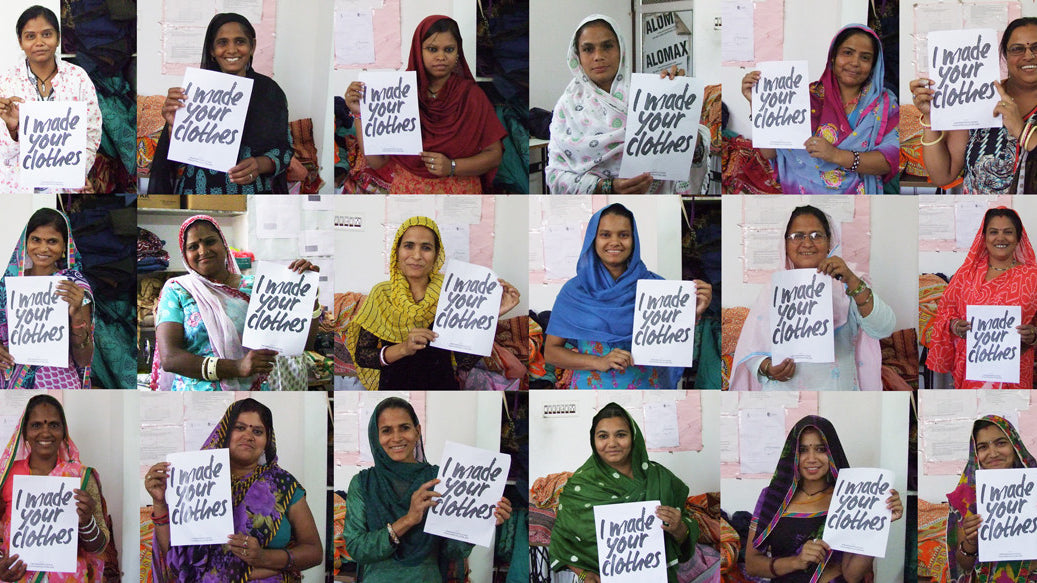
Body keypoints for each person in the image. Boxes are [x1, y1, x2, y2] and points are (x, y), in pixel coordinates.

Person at [145, 398, 322, 582]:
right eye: (239, 428)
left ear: (267, 440)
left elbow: (314, 552)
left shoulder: (283, 485)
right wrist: (160, 503)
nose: (249, 436)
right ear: (225, 433)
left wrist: (263, 557)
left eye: (258, 431)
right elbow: (176, 556)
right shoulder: (195, 479)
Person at [343, 397, 511, 582]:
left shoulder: (440, 478)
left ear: (417, 431)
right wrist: (408, 520)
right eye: (386, 431)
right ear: (376, 437)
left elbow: (452, 550)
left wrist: (481, 522)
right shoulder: (363, 483)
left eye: (404, 428)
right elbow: (356, 548)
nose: (397, 437)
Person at [544, 203, 711, 389]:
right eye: (605, 235)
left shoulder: (658, 289)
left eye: (623, 235)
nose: (615, 242)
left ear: (634, 239)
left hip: (647, 390)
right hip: (591, 391)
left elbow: (674, 346)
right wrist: (598, 362)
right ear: (593, 239)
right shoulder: (574, 291)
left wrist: (691, 314)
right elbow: (551, 352)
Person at [345, 216, 520, 390]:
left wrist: (488, 316)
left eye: (426, 248)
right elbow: (362, 356)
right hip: (394, 387)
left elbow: (465, 362)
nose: (417, 255)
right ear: (397, 251)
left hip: (442, 387)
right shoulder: (381, 294)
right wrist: (404, 348)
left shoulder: (453, 291)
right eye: (408, 246)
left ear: (437, 254)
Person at [730, 205, 895, 390]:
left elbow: (883, 327)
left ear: (830, 241)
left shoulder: (848, 282)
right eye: (797, 236)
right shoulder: (772, 290)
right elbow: (751, 352)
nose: (807, 243)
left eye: (817, 236)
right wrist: (768, 368)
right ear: (784, 244)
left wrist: (851, 280)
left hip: (837, 391)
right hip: (783, 393)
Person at [151, 214, 321, 391]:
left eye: (210, 242)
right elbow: (170, 358)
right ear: (185, 255)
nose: (203, 251)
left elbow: (302, 345)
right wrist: (237, 367)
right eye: (193, 247)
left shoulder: (261, 286)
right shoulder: (177, 290)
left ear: (225, 246)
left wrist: (310, 296)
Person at [343, 15, 507, 193]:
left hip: (460, 196)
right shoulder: (397, 94)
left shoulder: (471, 96)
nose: (441, 56)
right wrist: (360, 113)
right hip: (409, 194)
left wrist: (452, 166)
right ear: (418, 51)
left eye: (449, 49)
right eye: (432, 49)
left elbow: (494, 155)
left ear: (458, 53)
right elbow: (377, 161)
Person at [741, 24, 898, 194]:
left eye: (865, 58)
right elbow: (769, 153)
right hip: (802, 192)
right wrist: (758, 105)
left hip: (857, 199)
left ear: (874, 65)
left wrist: (836, 155)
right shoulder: (800, 96)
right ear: (833, 57)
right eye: (847, 53)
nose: (855, 63)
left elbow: (890, 159)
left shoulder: (884, 104)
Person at [549, 402, 696, 583]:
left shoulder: (660, 478)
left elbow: (686, 527)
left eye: (621, 435)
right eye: (603, 436)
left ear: (633, 437)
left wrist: (680, 529)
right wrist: (583, 574)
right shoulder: (580, 486)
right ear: (593, 441)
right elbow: (561, 540)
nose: (612, 443)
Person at [745, 416, 903, 582]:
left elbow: (852, 576)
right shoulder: (773, 497)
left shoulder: (850, 498)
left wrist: (878, 521)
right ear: (793, 454)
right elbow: (752, 564)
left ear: (832, 452)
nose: (811, 458)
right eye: (803, 450)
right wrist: (796, 562)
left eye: (821, 449)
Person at [546, 14, 690, 194]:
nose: (598, 56)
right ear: (577, 55)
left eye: (607, 46)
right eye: (588, 49)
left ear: (620, 48)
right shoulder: (567, 107)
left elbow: (685, 152)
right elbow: (555, 176)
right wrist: (607, 187)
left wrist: (678, 101)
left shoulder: (651, 95)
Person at [149, 13, 291, 194]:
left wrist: (259, 164)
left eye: (240, 41)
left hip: (250, 193)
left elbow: (285, 151)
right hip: (196, 192)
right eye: (222, 43)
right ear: (211, 50)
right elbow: (177, 160)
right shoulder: (194, 93)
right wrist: (174, 127)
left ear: (252, 46)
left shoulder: (270, 92)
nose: (231, 50)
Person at [912, 18, 1037, 193]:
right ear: (1005, 56)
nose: (1029, 55)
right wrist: (930, 117)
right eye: (1017, 49)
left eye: (1036, 47)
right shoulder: (979, 96)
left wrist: (1022, 131)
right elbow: (943, 175)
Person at [0, 394, 111, 582]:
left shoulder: (81, 477)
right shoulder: (6, 475)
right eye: (36, 425)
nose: (46, 433)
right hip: (17, 577)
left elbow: (99, 547)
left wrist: (86, 521)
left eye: (53, 425)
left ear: (63, 431)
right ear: (24, 432)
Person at [928, 207, 1037, 388]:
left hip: (1015, 370)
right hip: (972, 370)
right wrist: (955, 326)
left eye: (1008, 232)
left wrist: (1033, 335)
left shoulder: (1032, 276)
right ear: (984, 237)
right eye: (993, 232)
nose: (1000, 238)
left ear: (1018, 238)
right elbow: (945, 312)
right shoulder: (966, 275)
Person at [0, 5, 101, 193]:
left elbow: (92, 132)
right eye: (30, 36)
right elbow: (3, 151)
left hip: (67, 180)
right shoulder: (6, 83)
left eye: (46, 34)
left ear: (58, 38)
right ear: (20, 42)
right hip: (17, 184)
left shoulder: (78, 78)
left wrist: (78, 172)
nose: (39, 42)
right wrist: (12, 129)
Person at [0, 208, 93, 389]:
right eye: (36, 240)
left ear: (64, 246)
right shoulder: (8, 284)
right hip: (9, 382)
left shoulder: (74, 286)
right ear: (26, 242)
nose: (43, 248)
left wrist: (76, 316)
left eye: (52, 241)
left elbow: (84, 359)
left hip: (56, 382)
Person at [947, 415, 1037, 582]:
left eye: (1001, 443)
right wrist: (971, 540)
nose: (993, 453)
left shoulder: (1035, 487)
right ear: (975, 452)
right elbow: (966, 565)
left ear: (1015, 445)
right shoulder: (967, 496)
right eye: (982, 447)